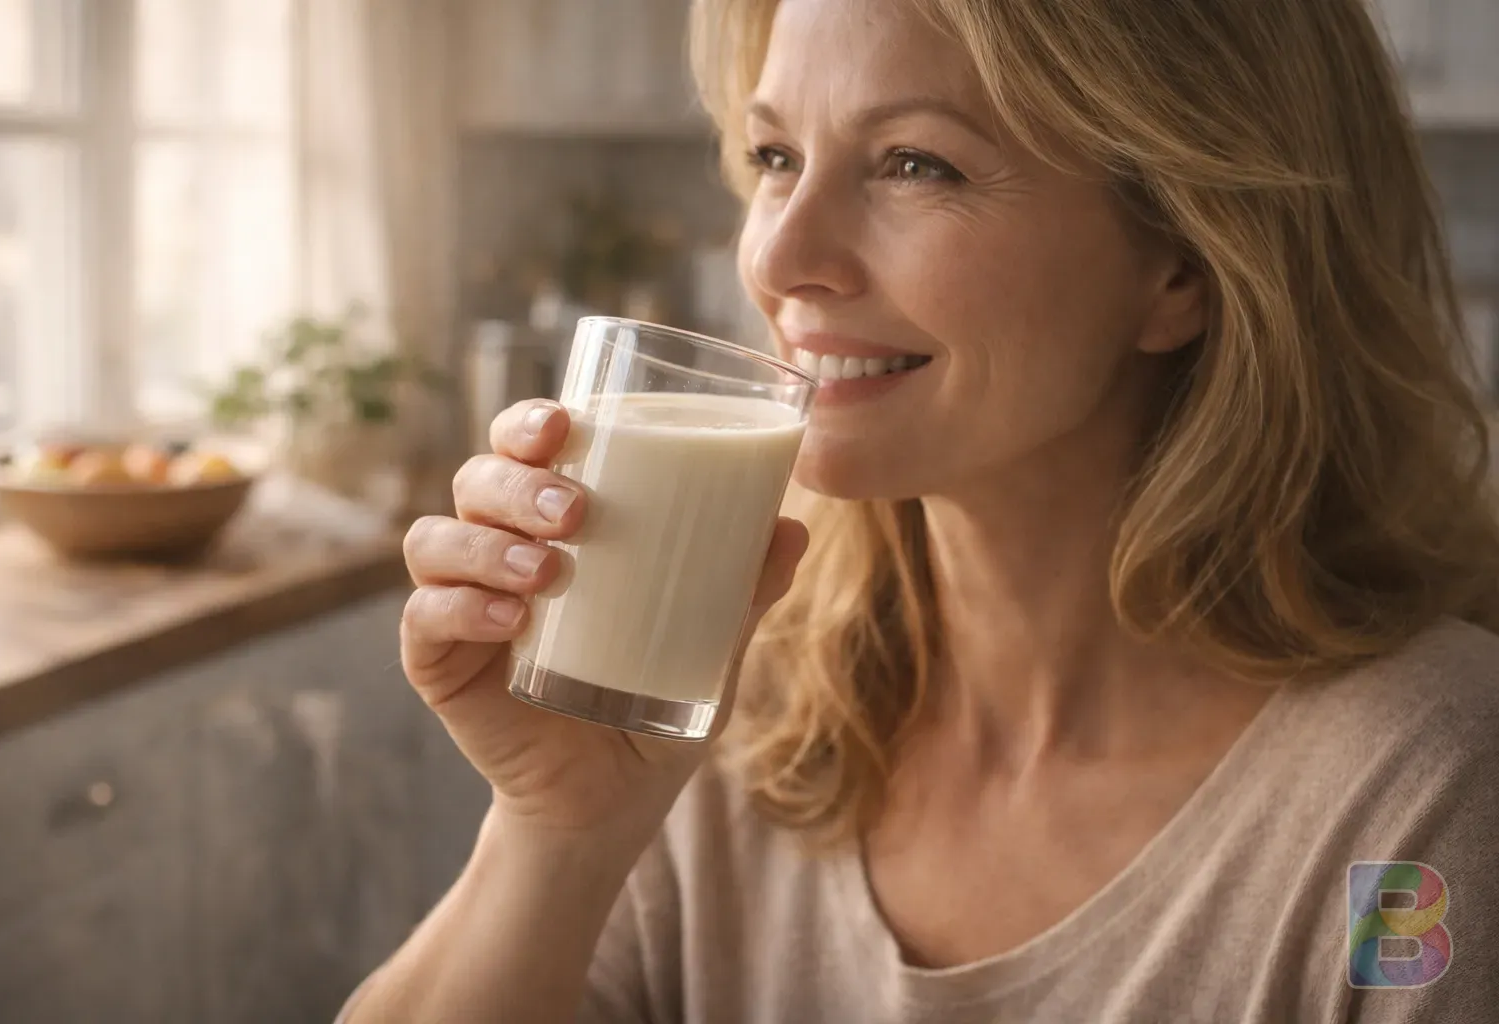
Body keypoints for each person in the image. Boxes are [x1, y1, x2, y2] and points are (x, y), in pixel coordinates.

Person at [344, 0, 1499, 1020]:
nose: (781, 255)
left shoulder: (1426, 795)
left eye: (914, 165)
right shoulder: (719, 710)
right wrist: (555, 835)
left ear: (1182, 267)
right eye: (775, 153)